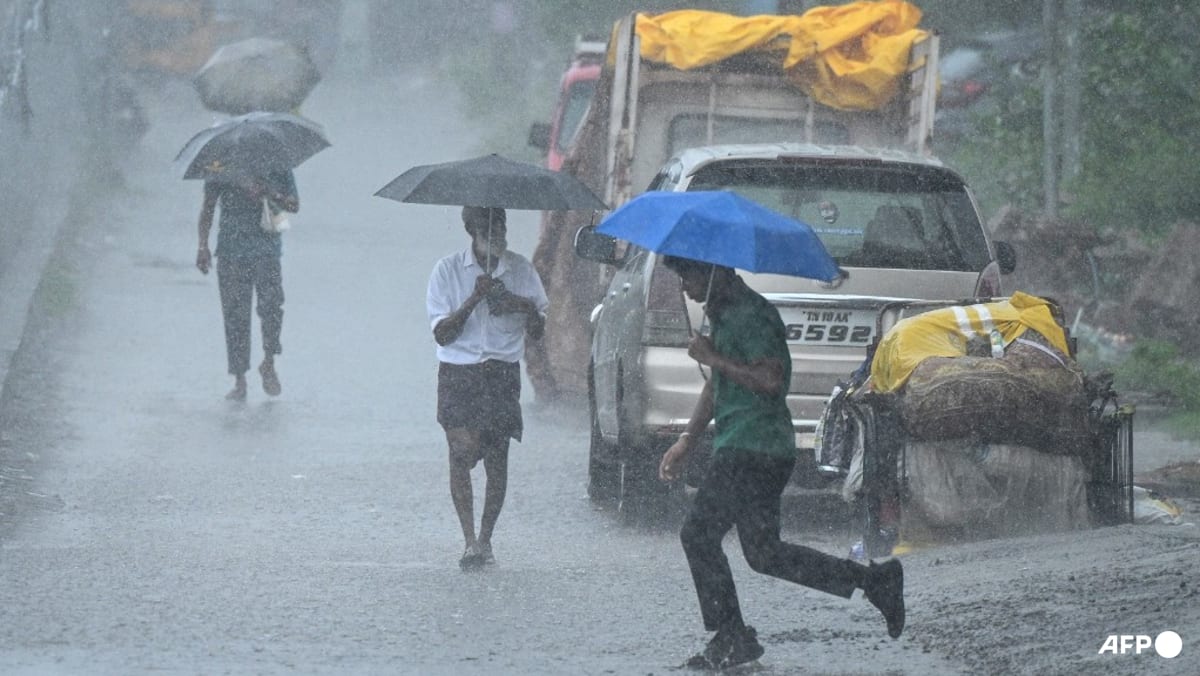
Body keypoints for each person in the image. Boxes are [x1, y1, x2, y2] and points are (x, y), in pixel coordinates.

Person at [656, 255, 905, 670]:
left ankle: (732, 635)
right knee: (764, 554)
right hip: (750, 446)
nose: (684, 286)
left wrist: (714, 358)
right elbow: (718, 386)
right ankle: (875, 581)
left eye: (689, 275)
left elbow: (770, 381)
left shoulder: (753, 315)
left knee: (698, 534)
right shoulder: (724, 314)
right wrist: (688, 439)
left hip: (753, 448)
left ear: (715, 271)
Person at [426, 206, 548, 570]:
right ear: (470, 229)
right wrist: (474, 299)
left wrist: (519, 304)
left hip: (501, 373)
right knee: (460, 451)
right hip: (458, 372)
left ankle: (485, 539)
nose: (497, 232)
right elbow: (442, 334)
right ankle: (468, 541)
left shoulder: (522, 271)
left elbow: (538, 331)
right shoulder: (447, 271)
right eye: (487, 226)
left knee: (497, 458)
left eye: (501, 224)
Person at [196, 170, 298, 401]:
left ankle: (269, 361)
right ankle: (239, 379)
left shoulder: (278, 165)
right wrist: (203, 246)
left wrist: (269, 193)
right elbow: (208, 206)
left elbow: (294, 205)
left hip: (267, 251)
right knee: (235, 315)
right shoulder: (222, 167)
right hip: (231, 251)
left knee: (272, 308)